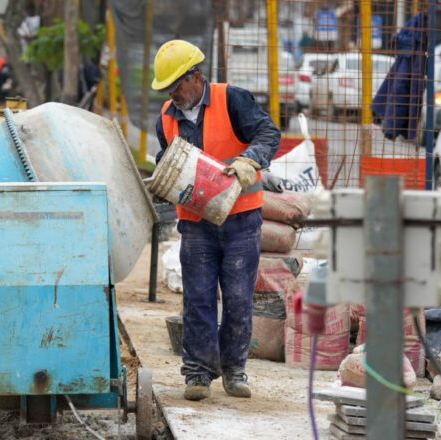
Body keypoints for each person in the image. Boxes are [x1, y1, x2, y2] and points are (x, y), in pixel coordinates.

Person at [152, 40, 280, 402]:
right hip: (195, 222)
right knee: (198, 299)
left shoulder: (233, 99)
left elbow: (269, 133)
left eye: (177, 86)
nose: (173, 95)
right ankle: (197, 373)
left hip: (240, 219)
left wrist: (250, 159)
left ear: (196, 77)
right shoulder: (165, 117)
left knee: (239, 299)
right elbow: (169, 157)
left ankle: (234, 369)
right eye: (167, 89)